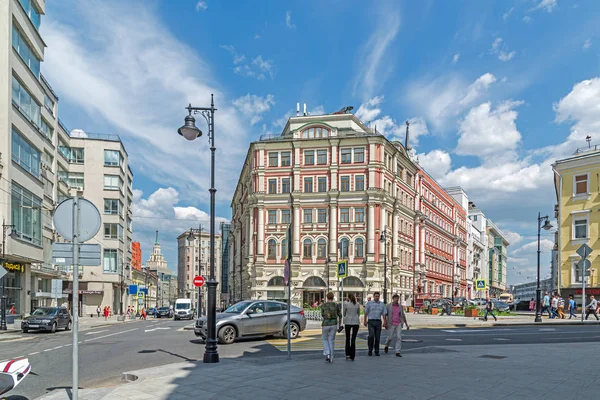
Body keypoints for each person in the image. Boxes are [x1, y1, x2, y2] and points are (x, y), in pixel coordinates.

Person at [364, 291, 387, 356]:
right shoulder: (369, 303)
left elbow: (384, 314)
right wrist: (365, 321)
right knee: (371, 336)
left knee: (377, 337)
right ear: (373, 296)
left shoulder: (382, 304)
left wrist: (385, 322)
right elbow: (366, 312)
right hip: (371, 321)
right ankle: (370, 350)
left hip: (378, 321)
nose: (377, 297)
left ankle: (377, 351)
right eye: (376, 296)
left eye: (378, 296)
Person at [321, 292, 341, 363]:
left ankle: (328, 354)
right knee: (331, 340)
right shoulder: (336, 305)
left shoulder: (324, 305)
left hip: (325, 324)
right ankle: (331, 357)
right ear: (333, 297)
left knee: (325, 339)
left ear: (327, 297)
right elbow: (340, 315)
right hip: (334, 324)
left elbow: (322, 314)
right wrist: (339, 325)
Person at [343, 293, 360, 361]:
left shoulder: (346, 304)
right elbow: (358, 313)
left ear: (348, 297)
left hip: (347, 321)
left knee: (347, 338)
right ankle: (352, 356)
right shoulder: (357, 304)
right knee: (353, 339)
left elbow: (344, 313)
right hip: (356, 321)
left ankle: (347, 354)